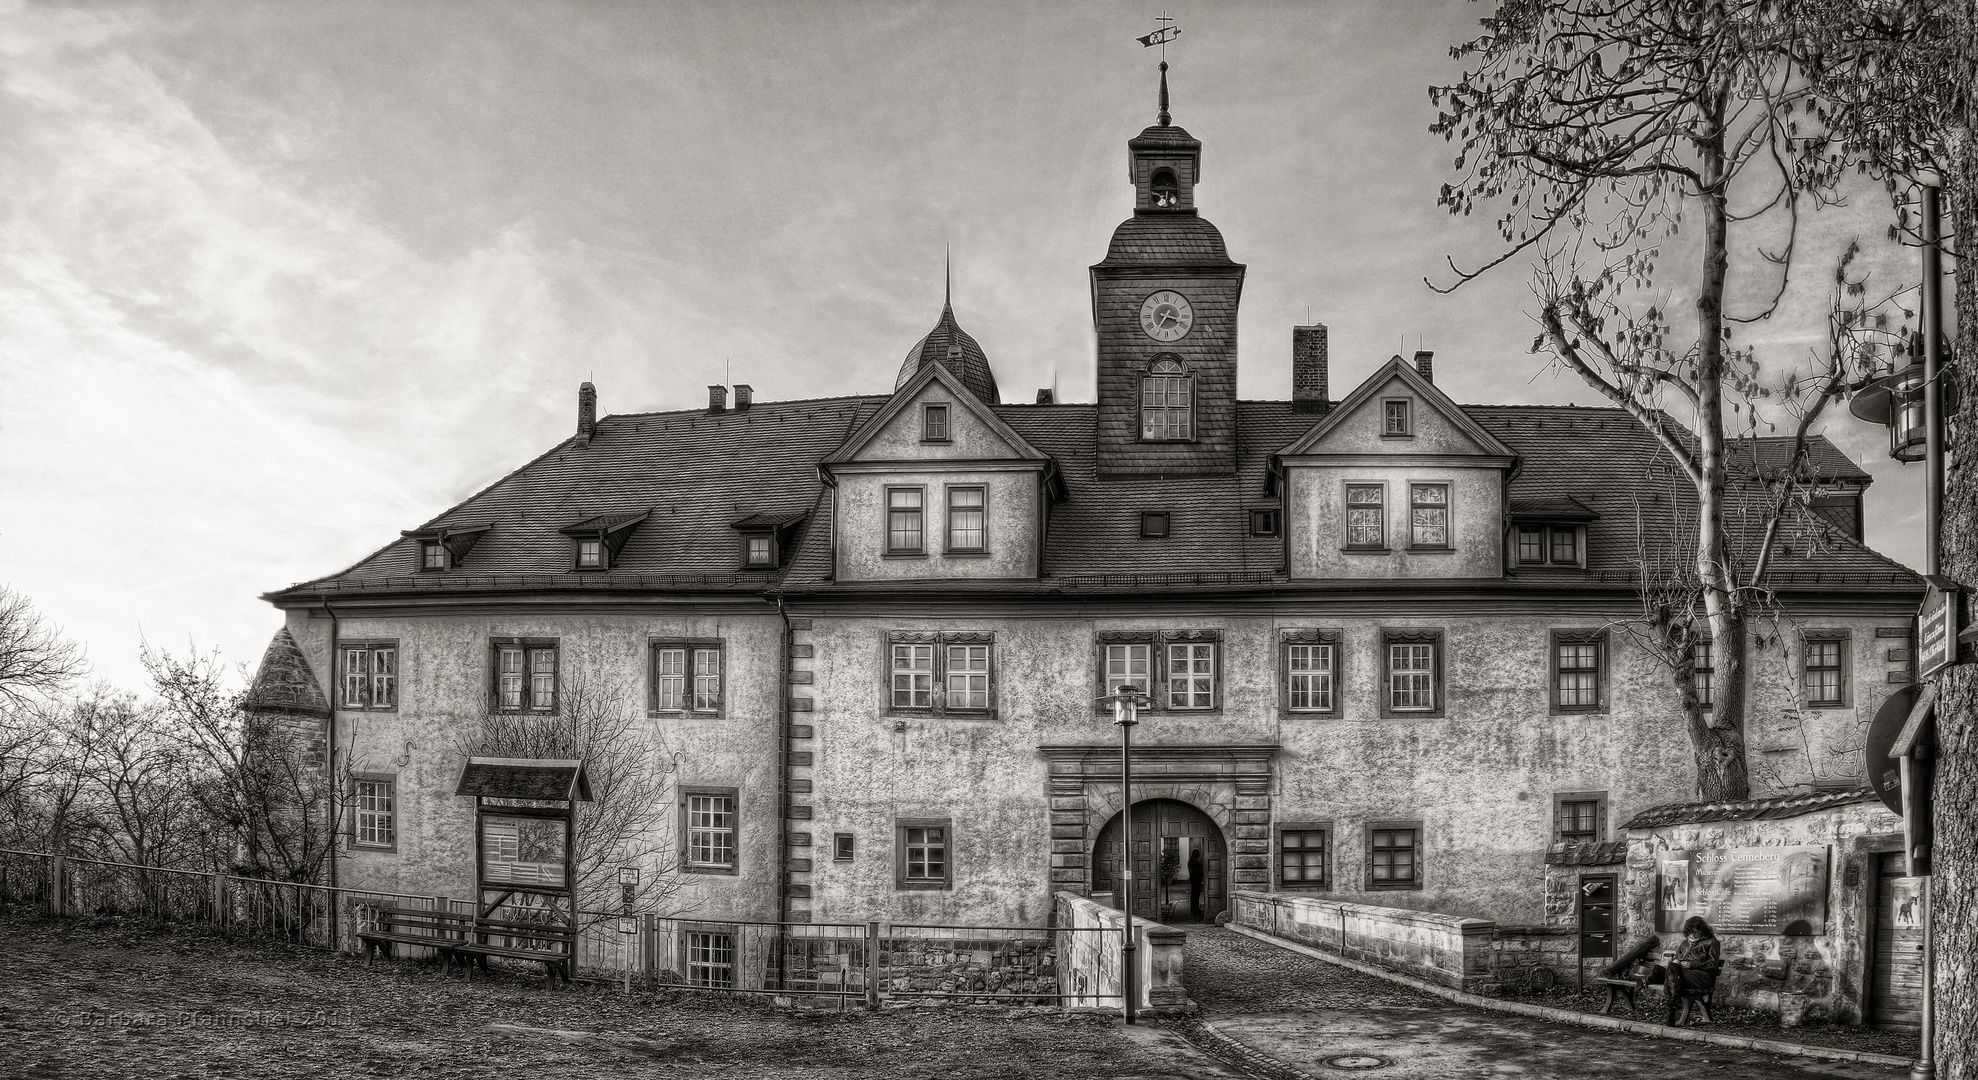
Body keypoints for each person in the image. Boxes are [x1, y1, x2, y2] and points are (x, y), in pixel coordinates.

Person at [1645, 916, 1722, 1024]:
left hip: (1700, 977)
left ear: (1701, 930)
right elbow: (1677, 957)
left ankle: (1672, 1006)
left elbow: (1712, 965)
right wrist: (1676, 961)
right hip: (1680, 976)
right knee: (1672, 967)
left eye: (1695, 932)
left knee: (1671, 973)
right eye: (1689, 932)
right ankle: (1672, 1006)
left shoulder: (1712, 942)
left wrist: (1691, 964)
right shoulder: (1685, 942)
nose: (1692, 935)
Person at [1187, 847, 1205, 920]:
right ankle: (1194, 909)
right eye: (1198, 854)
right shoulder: (1193, 862)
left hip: (1196, 879)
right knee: (1195, 894)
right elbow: (1194, 871)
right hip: (1195, 879)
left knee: (1196, 895)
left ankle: (1195, 908)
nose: (1199, 855)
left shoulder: (1193, 861)